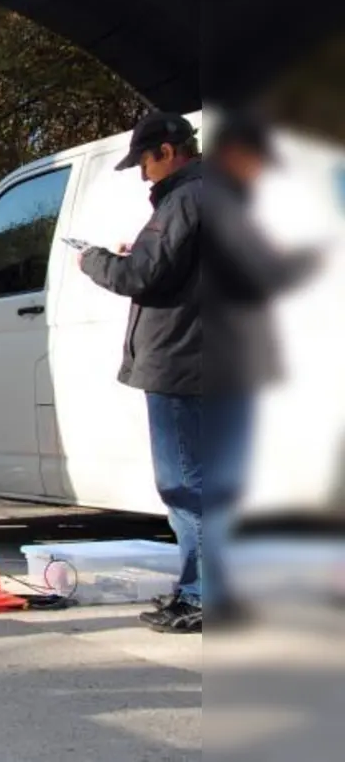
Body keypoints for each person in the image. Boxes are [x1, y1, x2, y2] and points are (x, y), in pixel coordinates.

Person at [78, 111, 205, 635]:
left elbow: (141, 275)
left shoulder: (185, 199)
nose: (142, 175)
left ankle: (200, 597)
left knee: (185, 487)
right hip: (214, 359)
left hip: (181, 363)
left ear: (168, 152)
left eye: (145, 163)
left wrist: (93, 260)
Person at [196, 109, 320, 626]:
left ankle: (213, 591)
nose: (260, 172)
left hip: (221, 359)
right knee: (222, 485)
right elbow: (263, 273)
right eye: (256, 162)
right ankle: (216, 595)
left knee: (216, 484)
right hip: (228, 363)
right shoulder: (220, 201)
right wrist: (318, 254)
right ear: (235, 154)